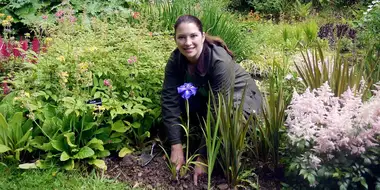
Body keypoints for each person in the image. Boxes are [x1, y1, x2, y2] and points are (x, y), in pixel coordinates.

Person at [161, 15, 262, 186]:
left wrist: (203, 157)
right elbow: (168, 99)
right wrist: (175, 145)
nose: (187, 42)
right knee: (179, 98)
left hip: (240, 98)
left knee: (229, 120)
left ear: (202, 35)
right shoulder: (175, 59)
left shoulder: (219, 61)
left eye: (193, 36)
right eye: (181, 37)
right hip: (210, 96)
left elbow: (218, 109)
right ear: (175, 39)